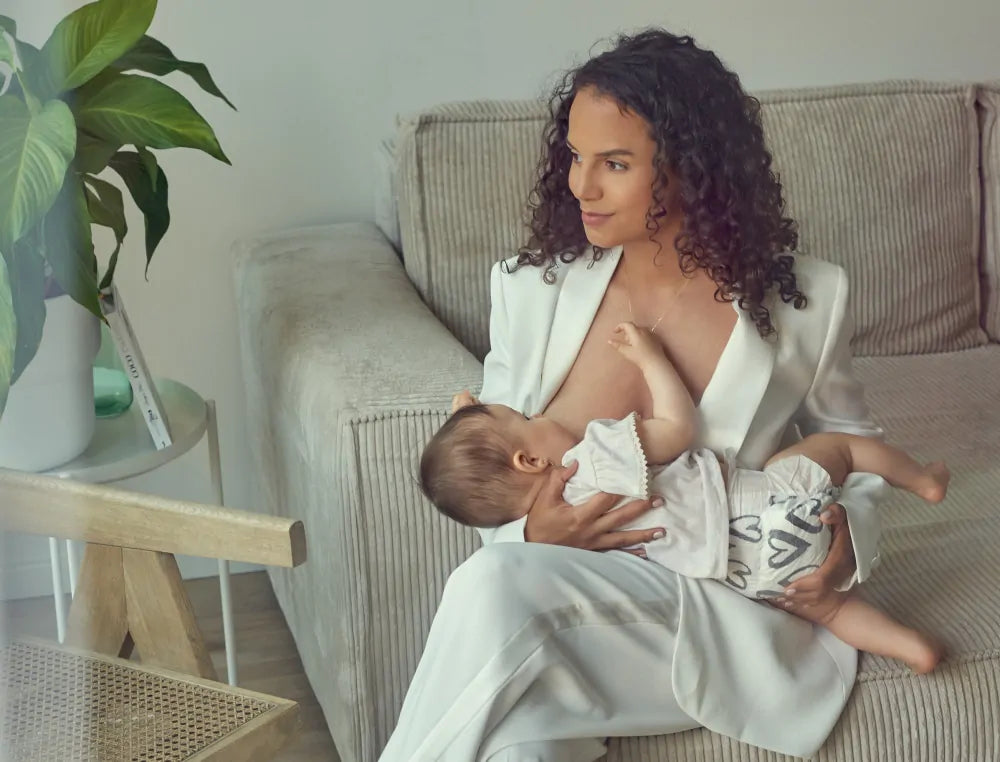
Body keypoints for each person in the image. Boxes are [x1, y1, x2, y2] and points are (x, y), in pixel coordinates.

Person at [380, 28, 892, 761]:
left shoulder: (805, 300)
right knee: (519, 746)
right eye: (575, 157)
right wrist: (534, 535)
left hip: (718, 608)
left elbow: (858, 446)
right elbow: (491, 469)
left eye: (614, 163)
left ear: (692, 168)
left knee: (488, 585)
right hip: (567, 603)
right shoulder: (530, 289)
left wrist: (845, 548)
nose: (580, 186)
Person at [419, 320, 948, 674]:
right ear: (531, 461)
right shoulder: (596, 455)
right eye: (527, 417)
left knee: (829, 611)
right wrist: (652, 361)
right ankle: (922, 479)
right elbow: (677, 427)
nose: (538, 414)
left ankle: (910, 648)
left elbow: (493, 475)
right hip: (768, 508)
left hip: (744, 581)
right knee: (838, 450)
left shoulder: (564, 537)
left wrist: (474, 416)